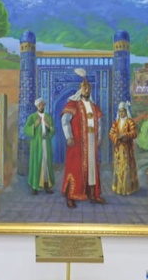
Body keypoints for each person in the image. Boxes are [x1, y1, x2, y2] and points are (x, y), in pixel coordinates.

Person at [61, 70, 104, 208]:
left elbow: (100, 124)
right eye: (84, 88)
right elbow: (65, 121)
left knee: (92, 168)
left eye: (88, 88)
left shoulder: (94, 107)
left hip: (91, 141)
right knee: (75, 167)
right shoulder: (73, 105)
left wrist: (99, 138)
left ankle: (93, 194)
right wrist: (69, 136)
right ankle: (71, 196)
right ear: (80, 90)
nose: (87, 90)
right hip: (77, 142)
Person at [24, 97, 55, 195]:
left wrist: (48, 125)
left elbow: (53, 130)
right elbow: (26, 130)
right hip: (36, 144)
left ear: (44, 105)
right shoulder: (32, 117)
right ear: (37, 106)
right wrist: (35, 125)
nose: (41, 106)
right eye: (39, 105)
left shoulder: (48, 117)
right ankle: (34, 186)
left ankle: (47, 185)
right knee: (36, 163)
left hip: (46, 143)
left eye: (42, 105)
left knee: (46, 164)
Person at [108, 101, 139, 195]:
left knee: (126, 168)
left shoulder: (130, 122)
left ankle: (127, 189)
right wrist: (117, 137)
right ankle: (119, 188)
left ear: (126, 111)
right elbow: (111, 133)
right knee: (118, 168)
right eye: (120, 111)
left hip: (127, 150)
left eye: (123, 111)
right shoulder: (116, 123)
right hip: (118, 150)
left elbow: (134, 133)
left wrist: (125, 135)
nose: (121, 113)